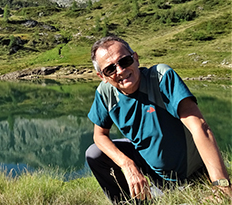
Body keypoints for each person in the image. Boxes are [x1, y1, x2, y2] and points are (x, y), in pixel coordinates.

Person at [85, 35, 231, 204]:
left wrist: (222, 185)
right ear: (102, 76)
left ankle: (196, 185)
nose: (120, 71)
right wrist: (127, 165)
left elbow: (200, 126)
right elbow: (99, 135)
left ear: (136, 58)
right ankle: (133, 202)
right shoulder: (105, 92)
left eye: (124, 61)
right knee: (94, 154)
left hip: (189, 172)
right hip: (151, 170)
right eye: (110, 69)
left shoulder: (161, 76)